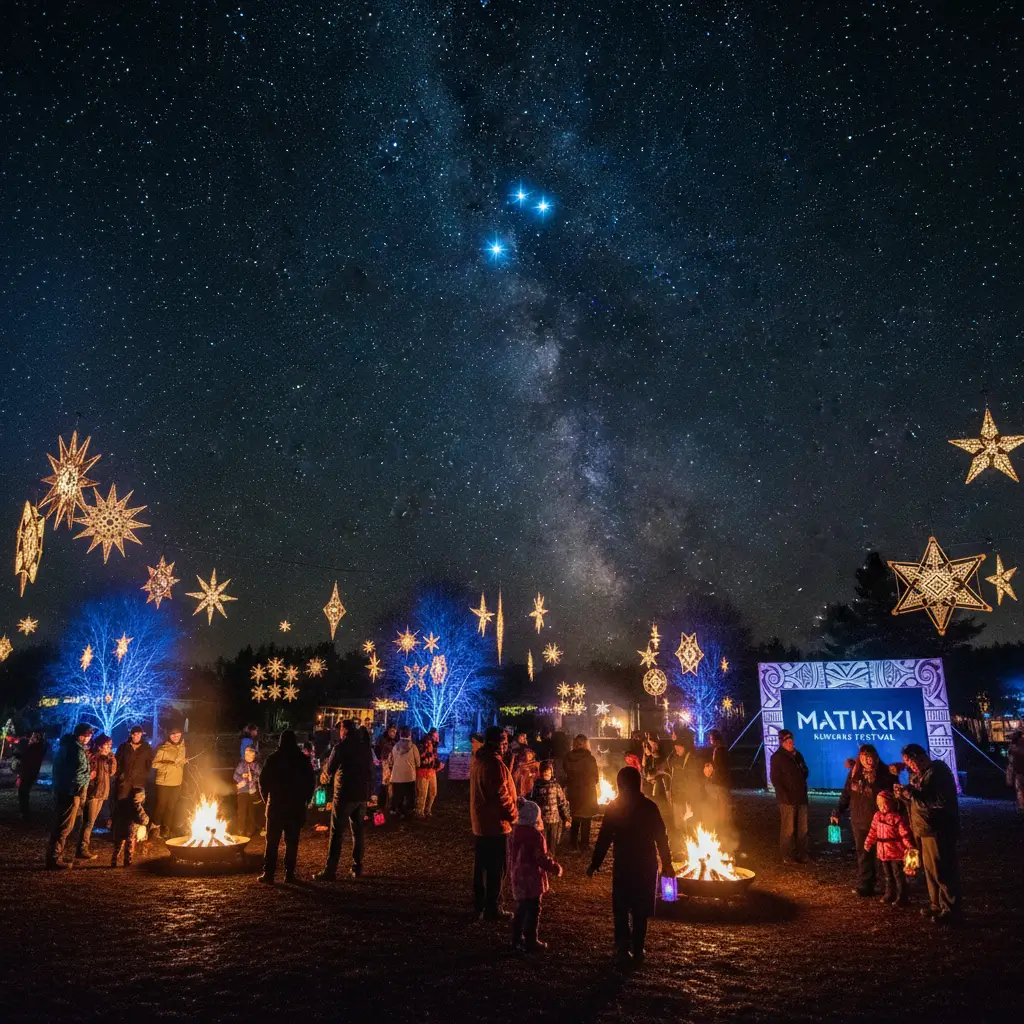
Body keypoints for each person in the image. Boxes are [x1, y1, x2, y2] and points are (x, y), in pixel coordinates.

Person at [587, 766, 674, 967]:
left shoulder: (615, 807)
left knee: (622, 907)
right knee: (640, 909)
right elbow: (662, 837)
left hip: (624, 864)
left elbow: (604, 837)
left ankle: (623, 948)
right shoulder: (649, 807)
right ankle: (637, 948)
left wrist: (595, 863)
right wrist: (667, 863)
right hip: (645, 864)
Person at [897, 743, 961, 923]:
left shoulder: (938, 771)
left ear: (921, 756)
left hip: (937, 829)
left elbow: (939, 801)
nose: (910, 765)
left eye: (911, 760)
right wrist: (904, 796)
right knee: (931, 871)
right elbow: (918, 801)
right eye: (907, 762)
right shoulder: (920, 774)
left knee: (942, 870)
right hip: (924, 829)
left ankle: (951, 909)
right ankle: (936, 904)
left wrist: (913, 795)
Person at [315, 720, 374, 880]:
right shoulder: (364, 747)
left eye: (340, 729)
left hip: (344, 794)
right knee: (358, 832)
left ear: (344, 730)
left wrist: (324, 772)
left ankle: (330, 870)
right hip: (361, 794)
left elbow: (330, 768)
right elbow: (370, 770)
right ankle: (357, 867)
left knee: (336, 833)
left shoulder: (340, 748)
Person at [470, 725, 518, 921]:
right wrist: (513, 814)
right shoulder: (493, 764)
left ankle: (479, 904)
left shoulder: (480, 759)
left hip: (481, 822)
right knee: (496, 868)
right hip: (495, 823)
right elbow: (500, 794)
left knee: (482, 866)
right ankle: (493, 906)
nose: (506, 746)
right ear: (495, 743)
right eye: (504, 742)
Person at [831, 743, 892, 896]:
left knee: (884, 854)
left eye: (870, 757)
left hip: (880, 822)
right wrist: (837, 811)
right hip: (859, 821)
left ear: (876, 757)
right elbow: (846, 794)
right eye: (864, 757)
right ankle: (866, 885)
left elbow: (892, 797)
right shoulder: (855, 773)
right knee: (863, 853)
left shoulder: (886, 773)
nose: (867, 760)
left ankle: (890, 886)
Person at [258, 730, 316, 884]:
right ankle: (289, 874)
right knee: (292, 843)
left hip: (276, 807)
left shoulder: (273, 759)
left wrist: (266, 799)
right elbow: (311, 782)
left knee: (272, 842)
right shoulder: (302, 760)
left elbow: (263, 781)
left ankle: (269, 874)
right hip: (295, 808)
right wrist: (305, 800)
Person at [508, 799, 562, 951]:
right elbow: (540, 858)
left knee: (520, 910)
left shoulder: (514, 832)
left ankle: (516, 940)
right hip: (532, 880)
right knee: (533, 910)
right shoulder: (534, 836)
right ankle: (531, 940)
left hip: (517, 876)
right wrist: (554, 867)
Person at [46, 723, 94, 869]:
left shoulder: (69, 747)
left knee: (62, 825)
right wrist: (89, 777)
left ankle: (55, 856)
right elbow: (76, 774)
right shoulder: (75, 750)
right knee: (64, 826)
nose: (88, 738)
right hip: (70, 792)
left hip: (65, 790)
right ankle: (54, 859)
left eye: (90, 735)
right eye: (86, 735)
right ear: (79, 734)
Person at [864, 790, 914, 907]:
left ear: (891, 803)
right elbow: (873, 831)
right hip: (883, 852)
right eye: (880, 804)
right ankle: (889, 893)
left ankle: (902, 896)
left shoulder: (897, 818)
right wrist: (868, 843)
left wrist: (909, 846)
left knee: (898, 874)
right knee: (888, 874)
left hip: (896, 852)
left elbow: (904, 834)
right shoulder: (877, 816)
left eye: (885, 803)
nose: (882, 807)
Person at [769, 729, 809, 863]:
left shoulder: (798, 755)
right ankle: (788, 855)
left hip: (801, 797)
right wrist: (783, 795)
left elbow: (805, 771)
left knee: (803, 828)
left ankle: (802, 853)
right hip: (787, 799)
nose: (790, 742)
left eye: (791, 739)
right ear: (781, 742)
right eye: (786, 740)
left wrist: (803, 771)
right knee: (789, 829)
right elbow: (775, 779)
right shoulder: (777, 757)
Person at [77, 734, 115, 860]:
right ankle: (82, 849)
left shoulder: (108, 757)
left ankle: (83, 848)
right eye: (107, 744)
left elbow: (112, 771)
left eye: (110, 744)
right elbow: (89, 773)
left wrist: (111, 758)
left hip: (102, 792)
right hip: (93, 793)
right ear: (99, 745)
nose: (109, 747)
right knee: (88, 822)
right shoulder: (92, 756)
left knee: (91, 822)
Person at [564, 734, 599, 850]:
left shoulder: (568, 757)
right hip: (587, 791)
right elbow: (595, 776)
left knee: (575, 817)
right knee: (586, 818)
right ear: (585, 744)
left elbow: (565, 772)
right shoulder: (590, 758)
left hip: (574, 791)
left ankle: (573, 843)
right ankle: (584, 843)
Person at [151, 726, 186, 839]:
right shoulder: (163, 748)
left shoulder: (183, 747)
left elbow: (179, 762)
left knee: (171, 806)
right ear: (169, 736)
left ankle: (166, 829)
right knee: (161, 806)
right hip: (163, 782)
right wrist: (169, 765)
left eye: (178, 734)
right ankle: (154, 828)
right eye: (173, 734)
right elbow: (154, 764)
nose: (176, 736)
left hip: (177, 781)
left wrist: (183, 762)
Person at [703, 729, 735, 850]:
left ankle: (722, 829)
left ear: (715, 739)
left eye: (711, 738)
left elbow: (719, 767)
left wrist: (711, 771)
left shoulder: (720, 750)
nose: (710, 741)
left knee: (722, 806)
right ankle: (721, 828)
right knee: (721, 805)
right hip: (721, 783)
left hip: (720, 783)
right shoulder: (721, 749)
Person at [665, 732, 701, 834]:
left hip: (686, 796)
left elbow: (691, 779)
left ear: (684, 747)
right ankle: (683, 840)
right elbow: (669, 762)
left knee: (688, 822)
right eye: (675, 749)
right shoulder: (676, 757)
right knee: (679, 822)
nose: (677, 751)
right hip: (677, 794)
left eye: (678, 748)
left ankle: (688, 840)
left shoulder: (691, 758)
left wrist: (689, 798)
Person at [531, 759, 570, 852]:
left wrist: (566, 818)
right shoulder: (537, 786)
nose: (546, 774)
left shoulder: (556, 786)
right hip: (541, 820)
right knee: (542, 844)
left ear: (551, 773)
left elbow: (562, 803)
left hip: (554, 820)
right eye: (544, 772)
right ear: (541, 773)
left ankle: (551, 860)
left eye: (548, 772)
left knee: (552, 844)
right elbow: (533, 803)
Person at [111, 786, 150, 868]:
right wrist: (147, 820)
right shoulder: (137, 806)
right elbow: (143, 820)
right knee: (129, 848)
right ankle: (128, 863)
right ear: (139, 797)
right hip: (130, 831)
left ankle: (114, 862)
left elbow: (114, 814)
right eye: (142, 796)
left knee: (117, 846)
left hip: (118, 828)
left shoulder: (121, 802)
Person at [388, 727, 420, 819]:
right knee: (409, 796)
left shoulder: (395, 747)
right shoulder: (413, 747)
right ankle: (408, 813)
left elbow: (392, 761)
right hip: (409, 776)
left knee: (398, 796)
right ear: (409, 735)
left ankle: (398, 812)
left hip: (396, 776)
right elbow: (418, 763)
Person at [15, 731, 46, 821]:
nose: (31, 739)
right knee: (24, 792)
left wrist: (20, 776)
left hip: (27, 774)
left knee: (23, 792)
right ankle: (25, 811)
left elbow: (27, 762)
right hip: (30, 774)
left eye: (33, 737)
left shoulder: (34, 749)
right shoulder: (37, 748)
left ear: (36, 739)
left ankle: (25, 813)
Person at [233, 744, 262, 838]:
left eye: (253, 755)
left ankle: (251, 830)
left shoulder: (256, 765)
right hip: (242, 791)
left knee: (251, 812)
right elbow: (235, 776)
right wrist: (241, 779)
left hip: (252, 791)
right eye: (249, 755)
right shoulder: (241, 765)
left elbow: (260, 776)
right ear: (246, 756)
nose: (251, 757)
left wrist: (252, 778)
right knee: (242, 812)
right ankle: (241, 830)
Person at [415, 736, 443, 818]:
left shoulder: (433, 749)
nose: (429, 744)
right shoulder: (420, 748)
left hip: (431, 772)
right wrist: (425, 759)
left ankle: (428, 809)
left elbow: (434, 759)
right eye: (428, 742)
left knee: (433, 792)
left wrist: (438, 764)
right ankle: (419, 811)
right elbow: (419, 761)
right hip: (423, 773)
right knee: (422, 793)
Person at [374, 724, 398, 811]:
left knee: (392, 784)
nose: (393, 733)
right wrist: (381, 758)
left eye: (394, 731)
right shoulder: (382, 739)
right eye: (391, 731)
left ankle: (391, 803)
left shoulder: (397, 740)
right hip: (385, 764)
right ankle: (383, 803)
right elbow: (377, 749)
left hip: (395, 764)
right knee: (385, 783)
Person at [1007, 729, 1024, 816]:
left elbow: (1011, 761)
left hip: (1019, 772)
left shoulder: (1013, 747)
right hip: (1019, 772)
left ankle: (1022, 807)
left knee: (1020, 790)